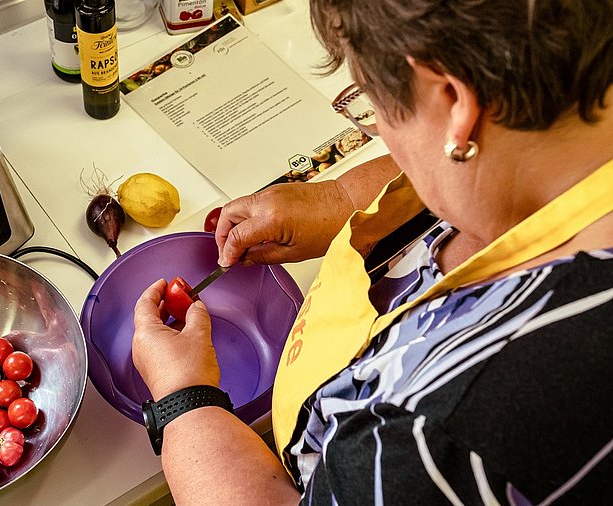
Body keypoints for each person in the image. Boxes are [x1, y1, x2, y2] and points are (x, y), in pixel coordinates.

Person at [130, 0, 613, 504]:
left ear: (455, 102)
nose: (378, 129)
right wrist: (338, 199)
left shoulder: (439, 431)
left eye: (370, 102)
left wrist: (182, 399)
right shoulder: (575, 125)